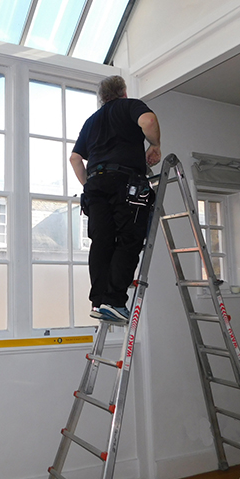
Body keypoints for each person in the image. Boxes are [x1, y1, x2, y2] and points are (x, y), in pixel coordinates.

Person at [70, 75, 161, 325]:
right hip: (124, 181)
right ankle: (115, 302)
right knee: (129, 238)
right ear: (123, 91)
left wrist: (89, 185)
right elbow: (149, 120)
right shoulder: (129, 106)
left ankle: (99, 300)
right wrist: (155, 145)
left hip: (96, 185)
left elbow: (76, 159)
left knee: (101, 241)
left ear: (102, 97)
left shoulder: (92, 120)